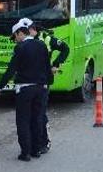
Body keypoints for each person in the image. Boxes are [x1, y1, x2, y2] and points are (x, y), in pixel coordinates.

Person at [0, 20, 52, 162]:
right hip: (41, 88)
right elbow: (47, 67)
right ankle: (36, 150)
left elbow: (11, 69)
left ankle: (25, 153)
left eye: (15, 37)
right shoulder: (42, 45)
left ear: (20, 33)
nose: (15, 40)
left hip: (25, 89)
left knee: (23, 120)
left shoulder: (21, 48)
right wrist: (47, 84)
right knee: (37, 119)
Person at [19, 18, 69, 154]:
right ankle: (32, 143)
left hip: (44, 80)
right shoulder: (25, 41)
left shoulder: (47, 39)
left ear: (32, 29)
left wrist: (56, 64)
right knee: (30, 113)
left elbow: (65, 49)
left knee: (40, 113)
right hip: (30, 81)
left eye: (26, 31)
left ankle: (44, 141)